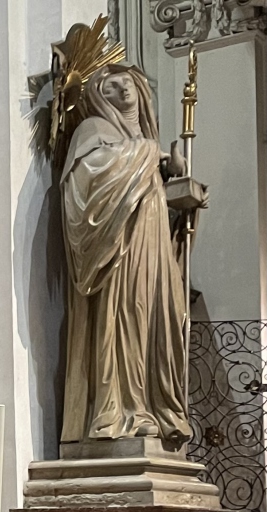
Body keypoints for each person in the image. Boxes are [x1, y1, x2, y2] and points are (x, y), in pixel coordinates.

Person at [59, 64, 191, 447]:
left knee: (161, 318)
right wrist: (152, 154)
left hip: (153, 244)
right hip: (120, 251)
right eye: (111, 86)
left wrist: (180, 191)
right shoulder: (94, 131)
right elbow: (87, 181)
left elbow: (153, 199)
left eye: (126, 82)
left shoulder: (142, 144)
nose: (121, 89)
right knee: (128, 316)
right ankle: (125, 411)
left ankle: (155, 406)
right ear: (100, 98)